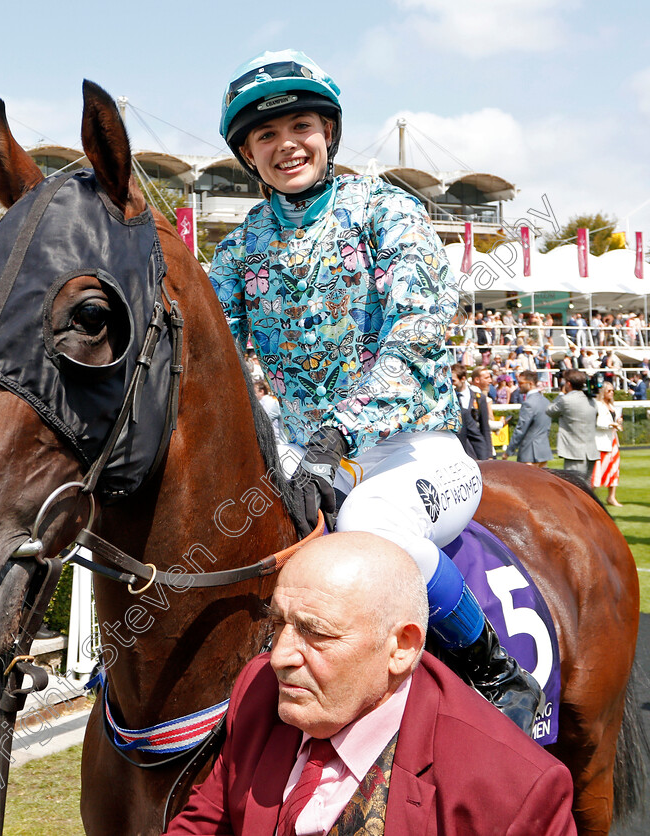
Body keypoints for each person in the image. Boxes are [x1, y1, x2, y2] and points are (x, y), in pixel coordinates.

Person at [208, 49, 541, 732]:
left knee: (366, 529)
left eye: (298, 126)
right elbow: (210, 355)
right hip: (304, 456)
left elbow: (415, 331)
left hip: (415, 454)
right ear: (248, 154)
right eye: (264, 136)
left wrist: (337, 436)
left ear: (327, 132)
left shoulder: (387, 210)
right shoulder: (240, 248)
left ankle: (492, 667)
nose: (284, 145)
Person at [166, 532, 576, 836]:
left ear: (401, 647)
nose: (278, 657)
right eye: (278, 624)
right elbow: (205, 823)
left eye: (316, 632)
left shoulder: (514, 792)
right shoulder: (257, 689)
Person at [546, 369, 598, 482]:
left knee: (574, 486)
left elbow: (549, 410)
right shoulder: (592, 400)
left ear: (568, 384)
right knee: (586, 487)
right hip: (591, 451)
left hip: (574, 452)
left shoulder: (566, 400)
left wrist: (561, 393)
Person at [502, 370, 551, 467]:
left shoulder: (528, 403)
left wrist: (508, 451)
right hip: (544, 452)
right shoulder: (546, 401)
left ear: (530, 384)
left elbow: (520, 430)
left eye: (520, 383)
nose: (518, 385)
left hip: (529, 453)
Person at [450, 363, 491, 460]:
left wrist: (489, 453)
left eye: (453, 381)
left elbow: (485, 427)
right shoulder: (450, 399)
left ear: (463, 379)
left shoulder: (479, 398)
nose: (451, 384)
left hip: (478, 448)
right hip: (459, 449)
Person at [592, 381, 623, 506]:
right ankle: (591, 496)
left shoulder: (612, 405)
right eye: (609, 390)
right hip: (602, 441)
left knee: (614, 469)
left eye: (612, 390)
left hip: (613, 439)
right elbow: (596, 423)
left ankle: (611, 497)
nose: (612, 393)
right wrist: (611, 424)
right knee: (600, 470)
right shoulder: (597, 405)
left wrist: (617, 421)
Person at [254, 379, 283, 443]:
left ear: (261, 391)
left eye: (254, 392)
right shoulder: (263, 402)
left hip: (276, 442)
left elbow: (262, 422)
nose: (253, 395)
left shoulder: (268, 402)